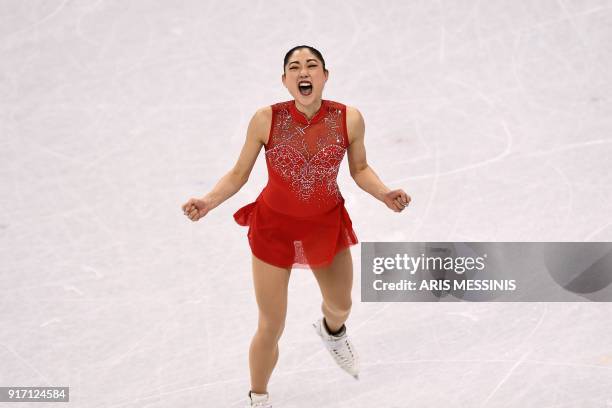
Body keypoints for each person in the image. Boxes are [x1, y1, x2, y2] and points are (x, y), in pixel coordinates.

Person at [181, 45, 411, 408]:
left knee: (341, 305)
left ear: (324, 76)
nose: (304, 72)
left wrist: (384, 194)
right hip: (274, 229)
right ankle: (258, 397)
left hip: (325, 225)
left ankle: (332, 333)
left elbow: (360, 169)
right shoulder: (265, 119)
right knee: (271, 324)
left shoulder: (349, 118)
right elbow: (239, 173)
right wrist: (208, 201)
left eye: (312, 66)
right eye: (295, 68)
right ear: (285, 80)